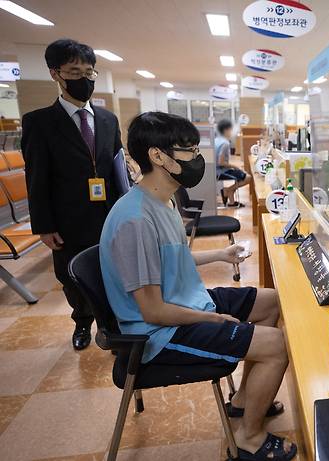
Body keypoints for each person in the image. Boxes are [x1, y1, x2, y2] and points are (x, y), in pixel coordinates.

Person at [100, 111, 296, 460]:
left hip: (185, 304)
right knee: (277, 344)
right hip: (157, 334)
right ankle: (249, 440)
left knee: (271, 302)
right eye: (189, 151)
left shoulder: (163, 200)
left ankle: (241, 401)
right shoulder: (134, 219)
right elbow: (152, 310)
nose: (197, 158)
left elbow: (167, 262)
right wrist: (214, 320)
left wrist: (221, 254)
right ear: (158, 156)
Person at [22, 39, 127, 350]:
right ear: (56, 74)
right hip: (67, 217)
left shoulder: (107, 120)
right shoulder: (39, 122)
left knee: (113, 272)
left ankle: (115, 326)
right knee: (72, 276)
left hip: (109, 213)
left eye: (89, 72)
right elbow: (36, 177)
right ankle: (82, 321)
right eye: (74, 72)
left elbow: (118, 166)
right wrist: (43, 225)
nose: (84, 79)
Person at [215, 119, 251, 207]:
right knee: (248, 177)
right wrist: (235, 167)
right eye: (231, 129)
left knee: (239, 175)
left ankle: (231, 202)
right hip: (221, 171)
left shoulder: (216, 140)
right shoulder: (225, 143)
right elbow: (221, 162)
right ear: (226, 130)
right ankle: (228, 190)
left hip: (214, 170)